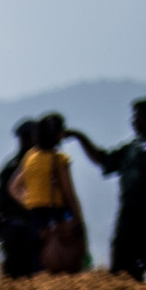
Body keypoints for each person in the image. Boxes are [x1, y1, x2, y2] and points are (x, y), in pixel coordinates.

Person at [72, 98, 146, 284]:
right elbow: (103, 159)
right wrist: (80, 137)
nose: (133, 122)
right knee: (122, 280)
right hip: (128, 224)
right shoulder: (131, 149)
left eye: (138, 117)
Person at [18, 111, 88, 275]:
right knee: (62, 264)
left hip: (35, 216)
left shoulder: (30, 156)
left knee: (40, 263)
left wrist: (29, 202)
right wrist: (78, 220)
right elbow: (69, 193)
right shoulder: (59, 159)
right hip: (56, 214)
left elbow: (14, 187)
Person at [0, 121, 41, 279]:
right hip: (27, 227)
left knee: (16, 276)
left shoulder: (10, 166)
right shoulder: (37, 164)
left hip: (13, 227)